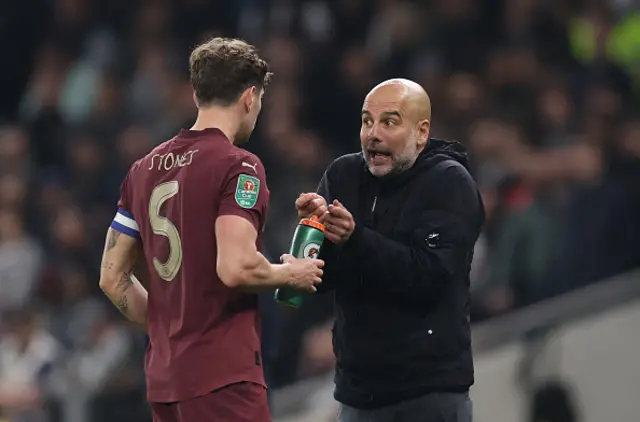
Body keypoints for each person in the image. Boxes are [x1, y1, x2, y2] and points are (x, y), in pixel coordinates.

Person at [98, 37, 324, 422]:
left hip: (166, 381)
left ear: (197, 92)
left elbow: (111, 277)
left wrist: (168, 324)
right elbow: (235, 268)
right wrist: (292, 272)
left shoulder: (143, 170)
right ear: (250, 97)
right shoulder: (240, 166)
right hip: (221, 378)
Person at [295, 78, 484, 422]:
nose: (373, 134)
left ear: (422, 132)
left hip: (429, 394)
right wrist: (311, 235)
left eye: (389, 122)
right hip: (358, 395)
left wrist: (355, 237)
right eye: (367, 121)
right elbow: (322, 278)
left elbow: (429, 276)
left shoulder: (449, 183)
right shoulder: (343, 174)